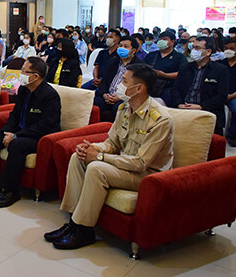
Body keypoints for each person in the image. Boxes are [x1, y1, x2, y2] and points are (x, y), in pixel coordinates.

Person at [45, 64, 173, 250]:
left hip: (147, 175)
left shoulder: (159, 119)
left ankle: (84, 229)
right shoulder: (124, 108)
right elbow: (112, 144)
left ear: (139, 88)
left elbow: (140, 163)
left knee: (97, 168)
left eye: (124, 81)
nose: (119, 85)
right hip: (125, 165)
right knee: (77, 157)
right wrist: (91, 148)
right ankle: (74, 221)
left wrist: (100, 158)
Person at [0, 57, 61, 207]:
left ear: (35, 76)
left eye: (24, 71)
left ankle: (11, 190)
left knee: (17, 144)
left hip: (40, 137)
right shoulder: (24, 89)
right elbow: (14, 114)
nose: (21, 73)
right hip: (19, 131)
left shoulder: (50, 96)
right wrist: (7, 131)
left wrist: (16, 135)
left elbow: (45, 125)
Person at [171, 36, 229, 135]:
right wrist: (179, 103)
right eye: (193, 47)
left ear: (208, 51)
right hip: (183, 108)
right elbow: (175, 89)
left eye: (197, 48)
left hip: (207, 110)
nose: (193, 51)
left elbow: (221, 96)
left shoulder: (220, 70)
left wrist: (201, 106)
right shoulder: (185, 68)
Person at [94, 36, 144, 121]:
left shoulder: (140, 66)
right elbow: (104, 82)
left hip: (125, 98)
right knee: (93, 101)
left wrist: (121, 96)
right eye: (120, 45)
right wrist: (104, 94)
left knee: (119, 108)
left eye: (126, 46)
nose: (122, 48)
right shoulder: (113, 61)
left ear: (133, 51)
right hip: (108, 96)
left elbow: (138, 88)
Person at [143, 31, 188, 105]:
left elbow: (183, 73)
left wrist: (165, 75)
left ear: (172, 42)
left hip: (168, 88)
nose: (161, 41)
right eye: (160, 39)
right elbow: (141, 68)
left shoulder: (179, 57)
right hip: (150, 86)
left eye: (164, 39)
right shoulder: (152, 55)